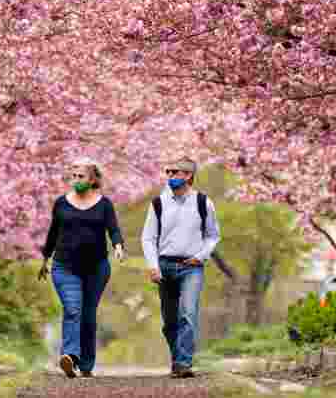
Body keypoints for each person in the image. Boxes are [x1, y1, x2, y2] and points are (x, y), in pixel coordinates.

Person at [39, 158, 125, 379]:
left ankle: (86, 364)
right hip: (64, 266)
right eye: (74, 176)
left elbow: (113, 229)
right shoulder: (61, 203)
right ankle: (70, 356)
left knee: (88, 316)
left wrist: (118, 246)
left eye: (81, 176)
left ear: (93, 179)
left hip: (96, 268)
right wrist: (45, 258)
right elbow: (53, 233)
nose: (76, 180)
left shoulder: (104, 204)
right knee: (72, 309)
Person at [141, 157, 221, 378]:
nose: (170, 176)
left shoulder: (203, 202)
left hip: (191, 267)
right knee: (169, 322)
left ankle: (184, 364)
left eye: (175, 172)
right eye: (168, 172)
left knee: (188, 313)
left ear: (188, 175)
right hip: (164, 266)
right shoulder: (158, 204)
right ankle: (178, 359)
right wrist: (152, 266)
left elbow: (213, 235)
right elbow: (149, 238)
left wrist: (201, 256)